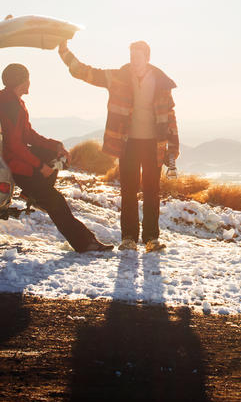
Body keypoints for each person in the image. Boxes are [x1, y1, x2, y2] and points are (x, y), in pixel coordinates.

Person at [58, 40, 179, 252]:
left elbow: (170, 116)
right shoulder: (117, 77)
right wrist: (65, 53)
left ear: (147, 58)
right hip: (128, 144)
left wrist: (173, 148)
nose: (133, 61)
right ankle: (129, 238)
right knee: (128, 191)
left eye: (137, 57)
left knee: (152, 191)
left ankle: (152, 238)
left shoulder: (161, 82)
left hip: (154, 145)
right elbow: (86, 73)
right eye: (131, 56)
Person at [0, 63, 113, 253]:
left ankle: (34, 194)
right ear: (21, 81)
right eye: (28, 78)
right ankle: (86, 243)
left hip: (17, 159)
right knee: (55, 202)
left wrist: (56, 146)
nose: (30, 82)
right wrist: (39, 166)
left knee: (53, 154)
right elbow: (15, 146)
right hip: (16, 165)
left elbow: (28, 135)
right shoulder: (9, 105)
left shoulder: (15, 102)